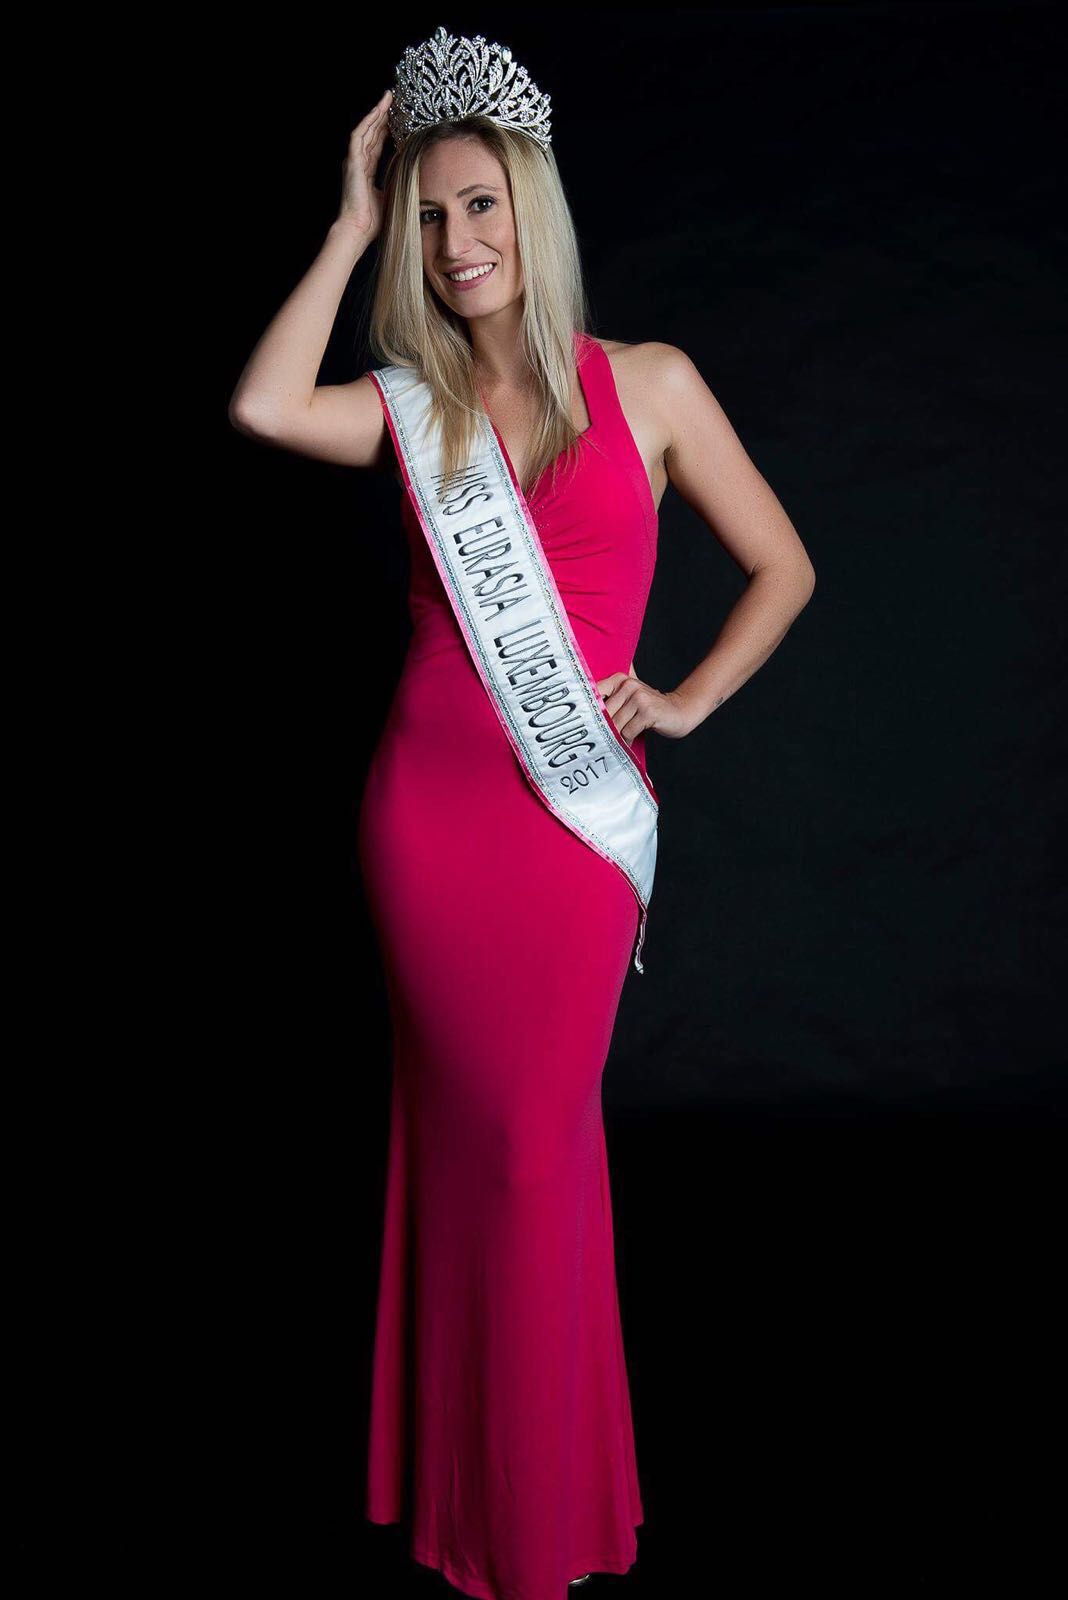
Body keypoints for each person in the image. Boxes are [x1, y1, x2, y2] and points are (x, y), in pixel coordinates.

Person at [228, 26, 815, 1600]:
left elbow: (786, 566)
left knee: (532, 1149)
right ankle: (468, 1504)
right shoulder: (411, 402)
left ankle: (535, 1507)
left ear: (530, 210)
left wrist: (683, 700)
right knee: (463, 1145)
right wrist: (347, 222)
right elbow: (262, 406)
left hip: (568, 829)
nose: (456, 244)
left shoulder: (654, 384)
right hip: (425, 824)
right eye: (428, 218)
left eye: (477, 206)